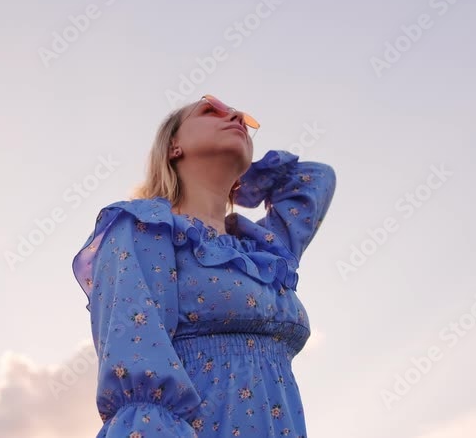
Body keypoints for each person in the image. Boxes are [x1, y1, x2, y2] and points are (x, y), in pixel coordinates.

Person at [71, 94, 337, 437]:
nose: (236, 117)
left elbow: (316, 179)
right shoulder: (144, 226)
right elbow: (137, 359)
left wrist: (240, 176)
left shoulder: (263, 251)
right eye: (212, 111)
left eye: (243, 119)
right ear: (173, 146)